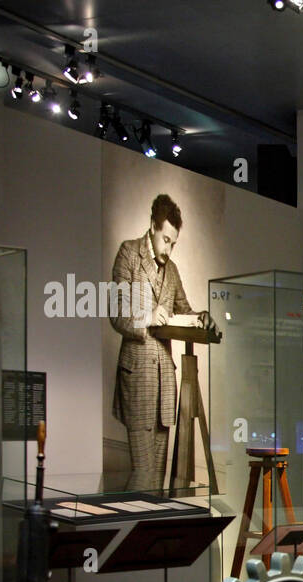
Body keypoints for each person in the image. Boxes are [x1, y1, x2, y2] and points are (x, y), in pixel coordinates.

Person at [110, 193, 196, 491]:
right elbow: (117, 314)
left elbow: (184, 310)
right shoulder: (129, 254)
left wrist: (202, 318)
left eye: (174, 242)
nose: (169, 248)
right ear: (152, 226)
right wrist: (148, 314)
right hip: (138, 380)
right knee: (143, 474)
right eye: (166, 239)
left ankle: (148, 533)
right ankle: (125, 533)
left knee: (157, 480)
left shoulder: (171, 270)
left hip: (164, 387)